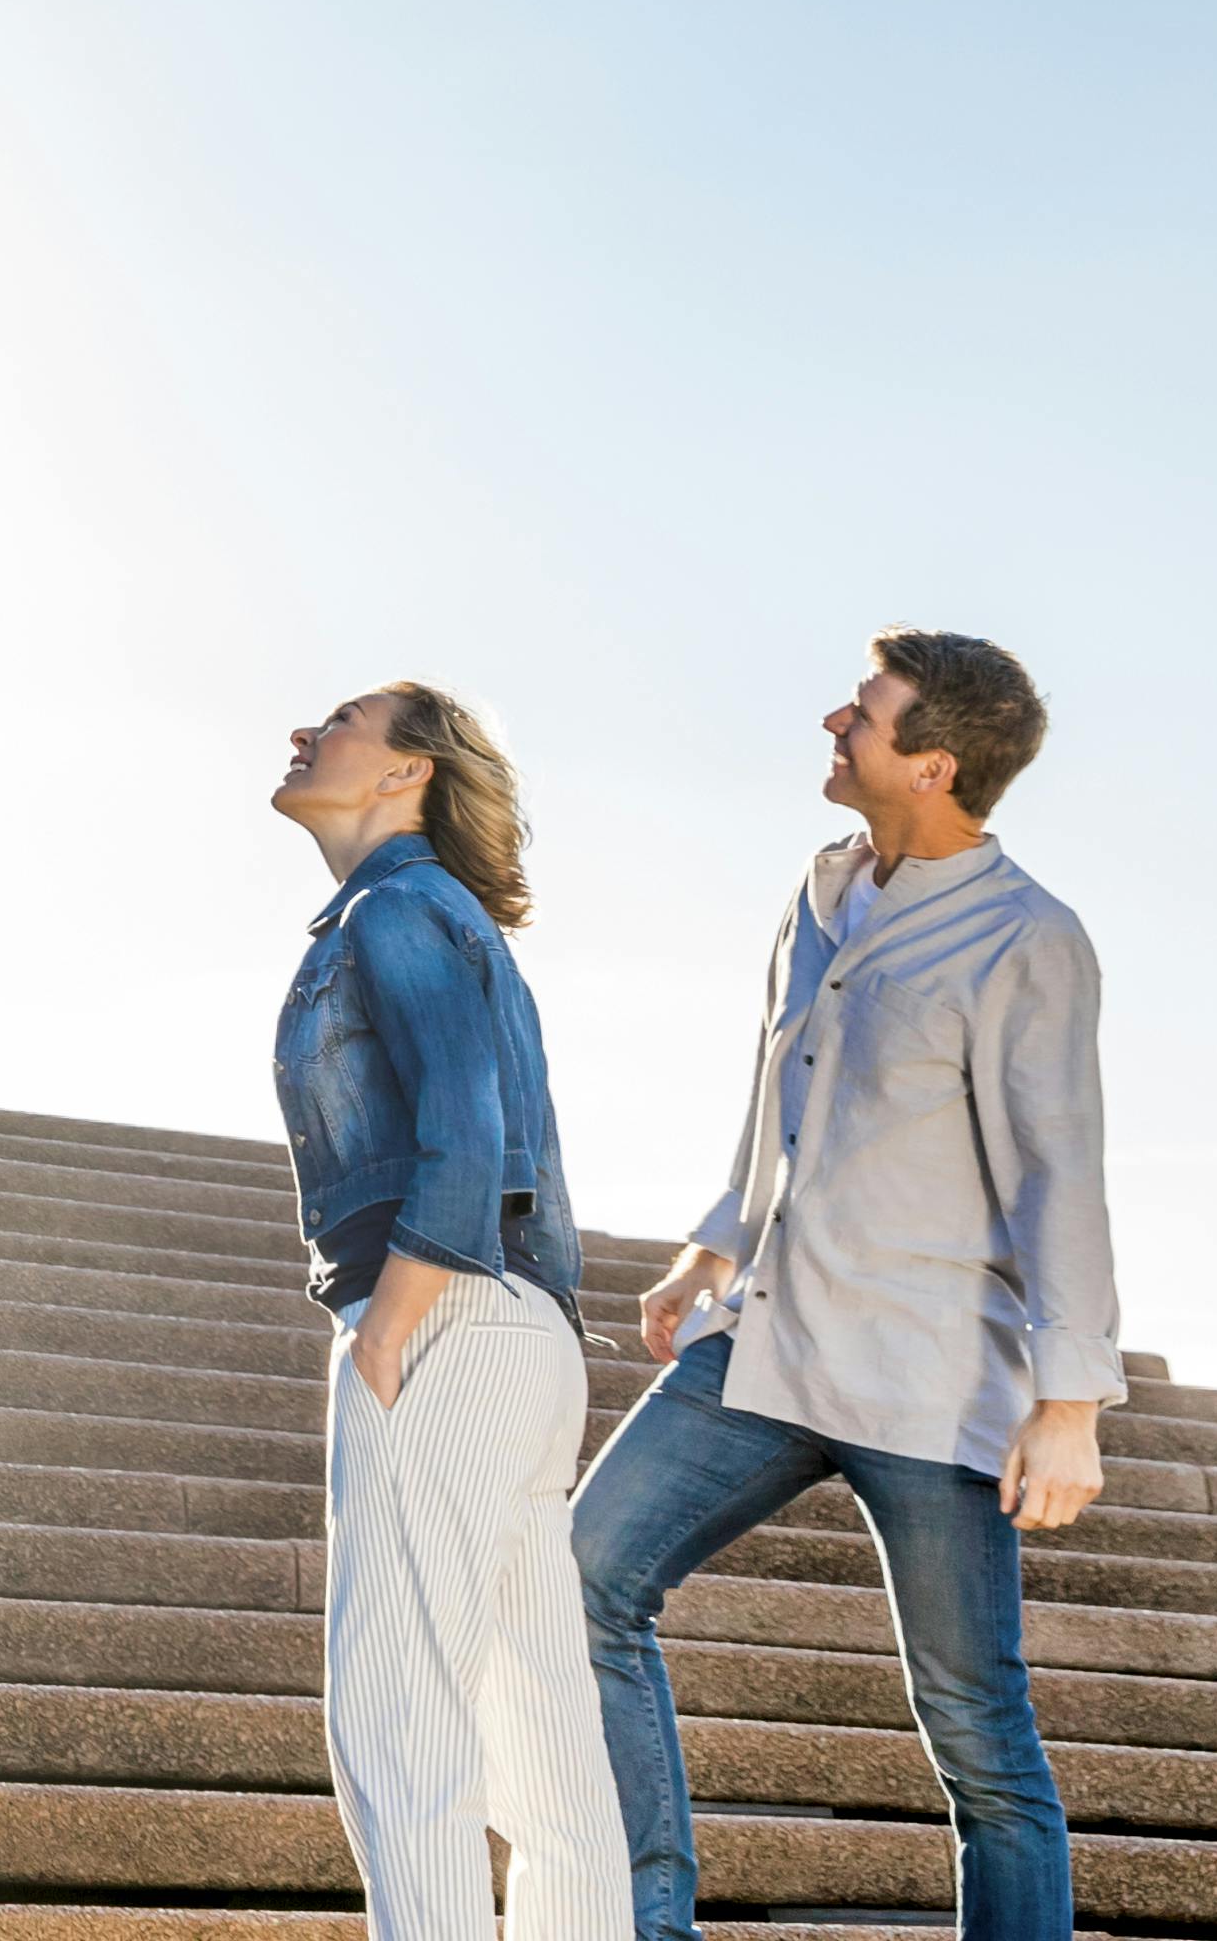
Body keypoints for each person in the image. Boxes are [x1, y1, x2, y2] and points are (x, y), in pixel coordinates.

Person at [569, 632, 1118, 1941]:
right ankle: (650, 1926)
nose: (835, 720)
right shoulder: (822, 892)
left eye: (864, 716)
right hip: (768, 1345)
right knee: (580, 1577)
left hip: (932, 1387)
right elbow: (784, 1099)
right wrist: (714, 1243)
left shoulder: (1025, 939)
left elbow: (1059, 1174)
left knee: (978, 1738)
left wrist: (1072, 1403)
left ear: (932, 764)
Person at [266, 683, 622, 1941]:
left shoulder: (398, 909)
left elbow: (462, 1137)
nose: (304, 730)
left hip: (442, 1316)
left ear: (405, 771)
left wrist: (385, 1327)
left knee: (402, 1721)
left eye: (342, 720)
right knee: (546, 1750)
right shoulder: (441, 915)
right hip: (526, 1335)